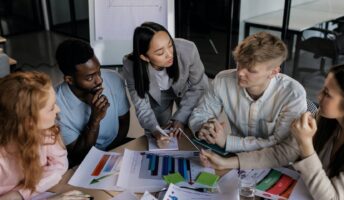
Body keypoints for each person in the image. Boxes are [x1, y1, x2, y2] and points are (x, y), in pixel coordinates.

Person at [200, 64, 344, 200]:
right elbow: (283, 153)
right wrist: (227, 162)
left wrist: (306, 145)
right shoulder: (324, 119)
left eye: (327, 93)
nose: (319, 96)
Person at [189, 32, 307, 152]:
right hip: (234, 155)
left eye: (251, 70)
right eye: (240, 64)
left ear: (273, 72)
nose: (240, 73)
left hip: (274, 161)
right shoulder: (222, 80)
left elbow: (281, 144)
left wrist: (227, 142)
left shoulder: (293, 94)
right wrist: (203, 127)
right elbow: (201, 113)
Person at [122, 22, 209, 147]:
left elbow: (198, 87)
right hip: (158, 95)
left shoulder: (188, 50)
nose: (169, 54)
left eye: (170, 45)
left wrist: (180, 118)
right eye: (160, 53)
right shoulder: (131, 65)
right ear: (145, 57)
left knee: (191, 124)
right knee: (160, 129)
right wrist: (156, 131)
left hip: (187, 89)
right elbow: (142, 106)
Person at [55, 39, 130, 167]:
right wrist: (94, 121)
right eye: (90, 77)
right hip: (80, 161)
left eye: (99, 71)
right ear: (69, 80)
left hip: (114, 150)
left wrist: (110, 156)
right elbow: (78, 155)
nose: (100, 80)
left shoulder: (114, 79)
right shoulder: (55, 106)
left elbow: (123, 124)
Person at [0, 71, 68, 200]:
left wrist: (20, 194)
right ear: (28, 120)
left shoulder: (47, 132)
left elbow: (60, 165)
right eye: (51, 108)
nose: (58, 110)